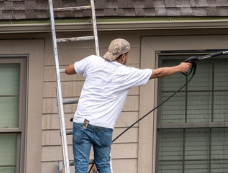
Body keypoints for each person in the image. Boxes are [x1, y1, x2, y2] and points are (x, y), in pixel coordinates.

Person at [64, 38, 191, 173]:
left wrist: (84, 67)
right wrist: (179, 68)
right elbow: (157, 73)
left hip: (82, 123)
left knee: (81, 166)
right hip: (102, 127)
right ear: (123, 56)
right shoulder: (127, 73)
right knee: (104, 166)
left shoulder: (92, 61)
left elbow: (68, 70)